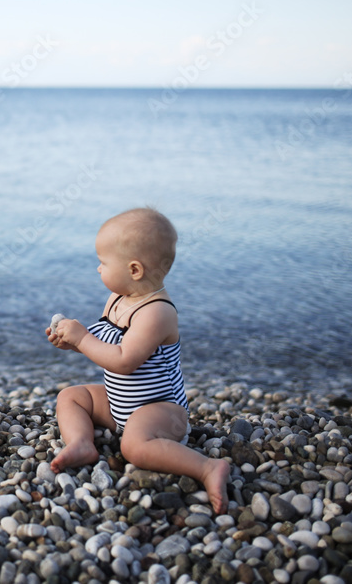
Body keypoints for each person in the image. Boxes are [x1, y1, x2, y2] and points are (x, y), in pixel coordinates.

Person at [46, 207, 230, 514]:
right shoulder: (118, 298)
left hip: (159, 410)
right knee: (72, 396)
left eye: (103, 262)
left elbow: (124, 361)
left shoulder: (157, 312)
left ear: (134, 270)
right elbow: (104, 345)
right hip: (121, 404)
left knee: (132, 447)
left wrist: (81, 337)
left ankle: (208, 468)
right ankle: (81, 443)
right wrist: (72, 345)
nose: (97, 269)